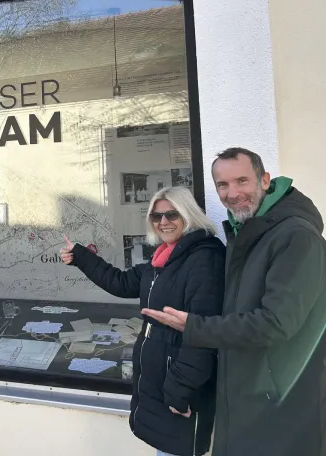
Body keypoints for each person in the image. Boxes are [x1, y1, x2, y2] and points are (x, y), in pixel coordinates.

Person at [143, 148, 326, 456]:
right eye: (223, 185)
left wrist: (194, 326)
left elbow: (275, 323)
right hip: (247, 405)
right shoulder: (247, 234)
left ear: (264, 180)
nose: (232, 193)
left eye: (242, 181)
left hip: (280, 412)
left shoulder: (295, 237)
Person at [61, 186, 225, 456]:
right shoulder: (164, 257)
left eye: (172, 214)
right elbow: (122, 282)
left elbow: (203, 334)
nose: (163, 222)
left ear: (188, 215)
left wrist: (178, 391)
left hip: (178, 384)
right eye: (156, 216)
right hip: (161, 377)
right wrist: (80, 256)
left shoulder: (204, 258)